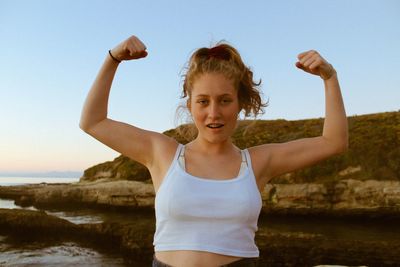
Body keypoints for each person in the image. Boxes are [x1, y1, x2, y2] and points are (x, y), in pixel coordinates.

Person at [79, 35, 348, 267]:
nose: (213, 113)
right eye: (203, 101)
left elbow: (333, 142)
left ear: (240, 103)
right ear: (190, 105)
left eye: (225, 101)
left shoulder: (257, 162)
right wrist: (113, 58)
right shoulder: (162, 152)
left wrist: (329, 77)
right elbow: (93, 121)